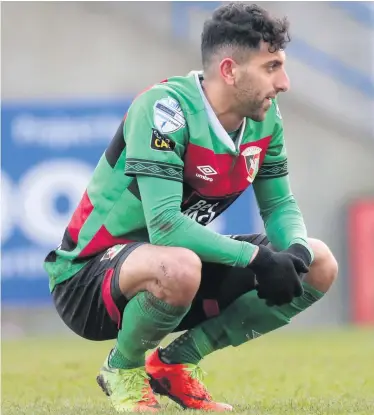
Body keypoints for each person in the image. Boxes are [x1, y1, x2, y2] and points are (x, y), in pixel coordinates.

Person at [44, 2, 338, 413]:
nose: (285, 82)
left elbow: (280, 203)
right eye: (271, 67)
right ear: (230, 70)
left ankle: (175, 363)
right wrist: (257, 258)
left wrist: (295, 254)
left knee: (320, 263)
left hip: (178, 267)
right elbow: (164, 225)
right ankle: (122, 370)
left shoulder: (266, 120)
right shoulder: (165, 110)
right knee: (179, 264)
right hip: (88, 280)